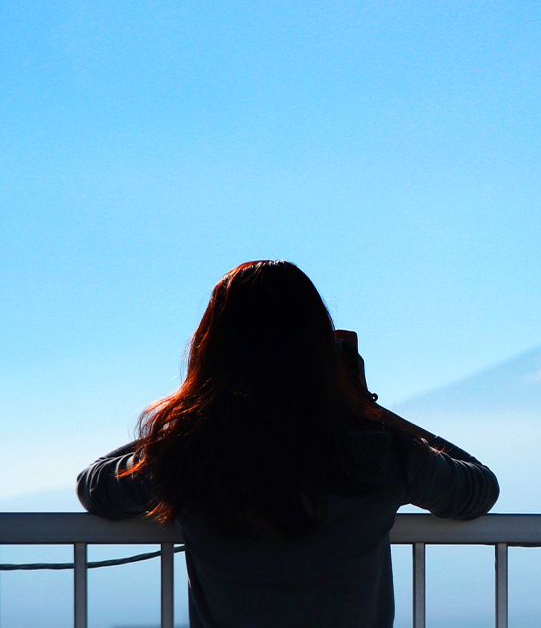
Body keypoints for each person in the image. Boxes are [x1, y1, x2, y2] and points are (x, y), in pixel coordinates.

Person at [76, 260, 498, 628]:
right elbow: (478, 489)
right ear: (322, 350)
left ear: (212, 349)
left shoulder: (190, 453)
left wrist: (191, 413)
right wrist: (364, 406)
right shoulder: (381, 452)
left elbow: (97, 488)